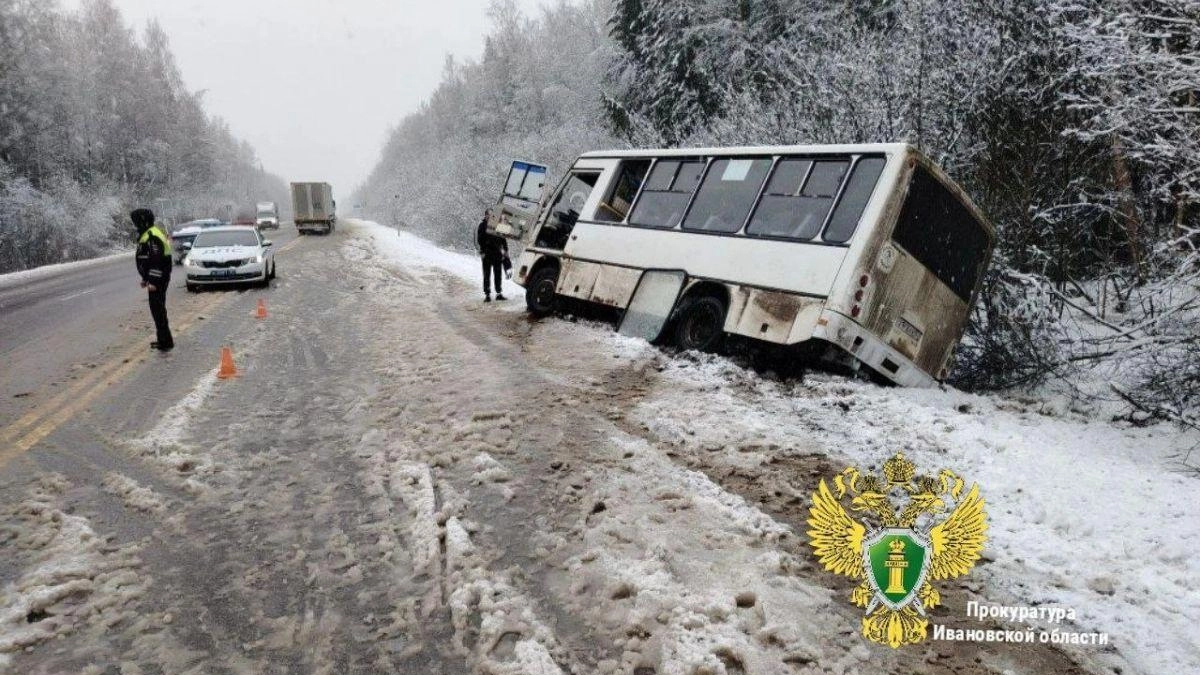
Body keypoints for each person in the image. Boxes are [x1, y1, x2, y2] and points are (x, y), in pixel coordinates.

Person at [132, 208, 174, 351]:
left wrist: (154, 282)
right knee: (157, 310)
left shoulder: (151, 236)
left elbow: (156, 261)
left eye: (136, 222)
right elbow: (147, 260)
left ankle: (165, 342)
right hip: (157, 279)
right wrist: (145, 278)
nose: (135, 225)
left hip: (159, 280)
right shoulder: (149, 234)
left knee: (158, 310)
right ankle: (163, 339)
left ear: (142, 221)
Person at [476, 210, 509, 302]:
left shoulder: (498, 225)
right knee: (487, 274)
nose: (489, 216)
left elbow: (503, 238)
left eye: (491, 215)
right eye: (488, 215)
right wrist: (483, 250)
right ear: (485, 215)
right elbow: (480, 239)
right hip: (486, 254)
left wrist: (505, 250)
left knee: (498, 274)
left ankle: (499, 293)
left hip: (497, 254)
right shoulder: (482, 225)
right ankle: (487, 295)